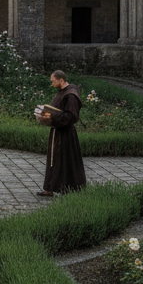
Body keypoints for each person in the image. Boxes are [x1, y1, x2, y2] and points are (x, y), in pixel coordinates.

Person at [35, 69, 86, 197]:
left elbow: (71, 116)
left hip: (66, 134)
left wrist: (52, 118)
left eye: (53, 81)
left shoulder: (70, 95)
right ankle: (49, 188)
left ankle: (67, 188)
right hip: (57, 131)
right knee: (53, 160)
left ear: (61, 80)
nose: (52, 84)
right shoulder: (62, 92)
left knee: (64, 161)